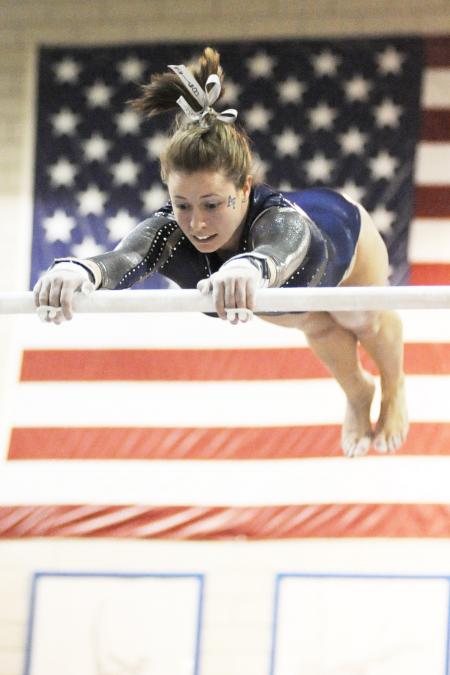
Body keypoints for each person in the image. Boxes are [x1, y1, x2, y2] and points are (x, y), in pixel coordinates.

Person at [34, 47, 409, 458]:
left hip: (345, 238)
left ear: (245, 188)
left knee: (358, 318)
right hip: (293, 294)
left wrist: (253, 266)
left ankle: (394, 387)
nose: (196, 223)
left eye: (212, 205)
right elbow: (127, 257)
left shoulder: (276, 219)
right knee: (316, 325)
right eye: (182, 205)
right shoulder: (171, 231)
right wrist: (82, 272)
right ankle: (359, 394)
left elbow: (290, 239)